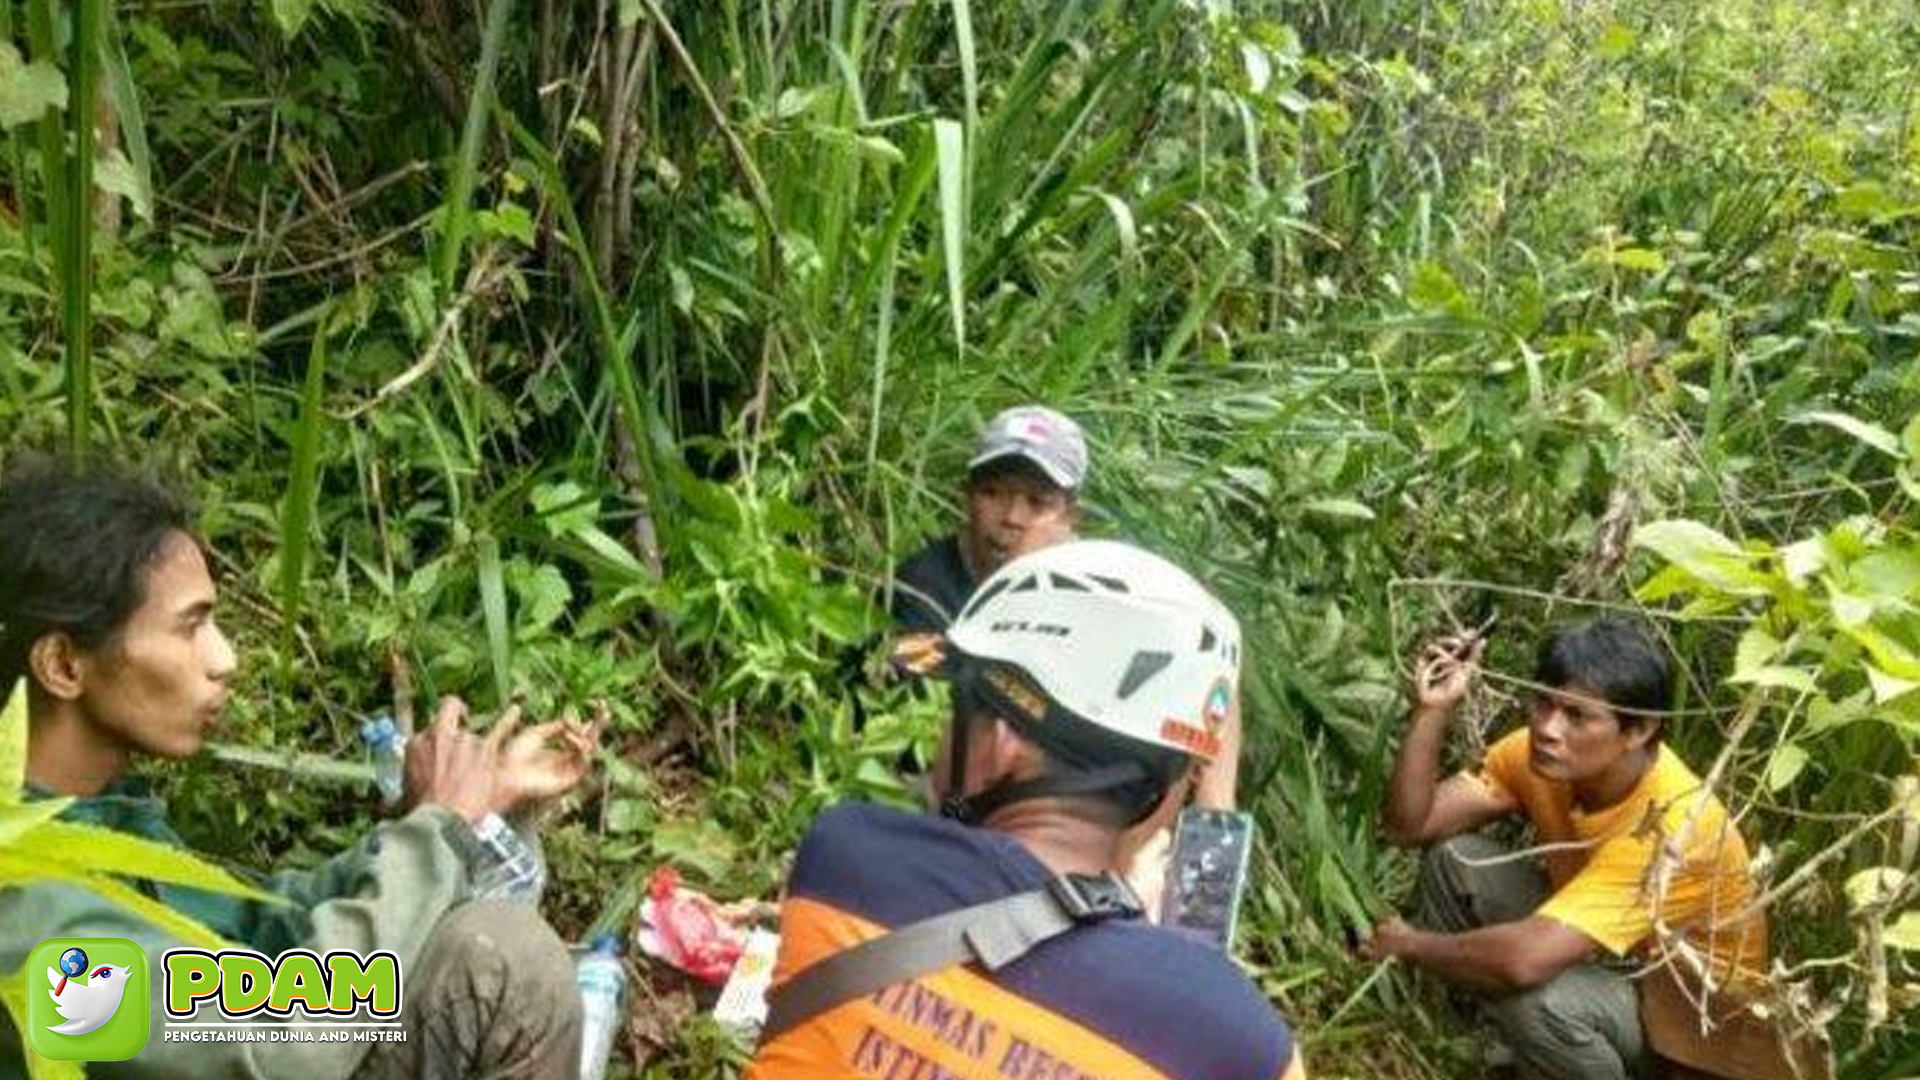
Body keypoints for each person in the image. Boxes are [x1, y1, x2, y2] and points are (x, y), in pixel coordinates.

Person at [0, 454, 600, 1080]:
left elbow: (266, 931)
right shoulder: (21, 916)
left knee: (488, 954)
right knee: (502, 964)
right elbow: (278, 1048)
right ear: (64, 665)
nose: (224, 658)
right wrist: (433, 833)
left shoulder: (99, 822)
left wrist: (454, 815)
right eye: (189, 628)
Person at [750, 539, 1306, 1080]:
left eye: (956, 711)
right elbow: (1196, 995)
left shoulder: (848, 856)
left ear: (1000, 741)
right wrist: (1214, 801)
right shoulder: (1244, 1046)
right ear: (1165, 791)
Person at [1361, 617, 1768, 1080]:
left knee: (1539, 1002)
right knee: (1456, 861)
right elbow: (1410, 826)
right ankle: (1461, 1049)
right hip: (1605, 965)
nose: (1548, 729)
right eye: (1543, 703)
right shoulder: (1540, 756)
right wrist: (1433, 710)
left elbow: (1522, 962)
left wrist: (1412, 945)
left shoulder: (1673, 826)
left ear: (1638, 731)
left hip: (1688, 1039)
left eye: (1577, 716)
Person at [887, 404, 1087, 637]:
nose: (1012, 517)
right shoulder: (920, 588)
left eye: (1037, 502)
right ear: (967, 496)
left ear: (1069, 518)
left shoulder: (1086, 596)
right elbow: (913, 670)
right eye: (993, 493)